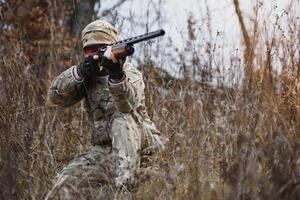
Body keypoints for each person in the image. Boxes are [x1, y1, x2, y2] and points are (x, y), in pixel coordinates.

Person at [45, 20, 166, 199]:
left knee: (121, 119)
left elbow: (127, 106)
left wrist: (116, 75)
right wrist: (79, 72)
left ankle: (125, 190)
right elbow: (53, 98)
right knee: (64, 184)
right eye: (89, 50)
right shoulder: (87, 76)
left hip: (142, 144)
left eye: (101, 48)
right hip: (105, 150)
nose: (95, 54)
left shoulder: (130, 73)